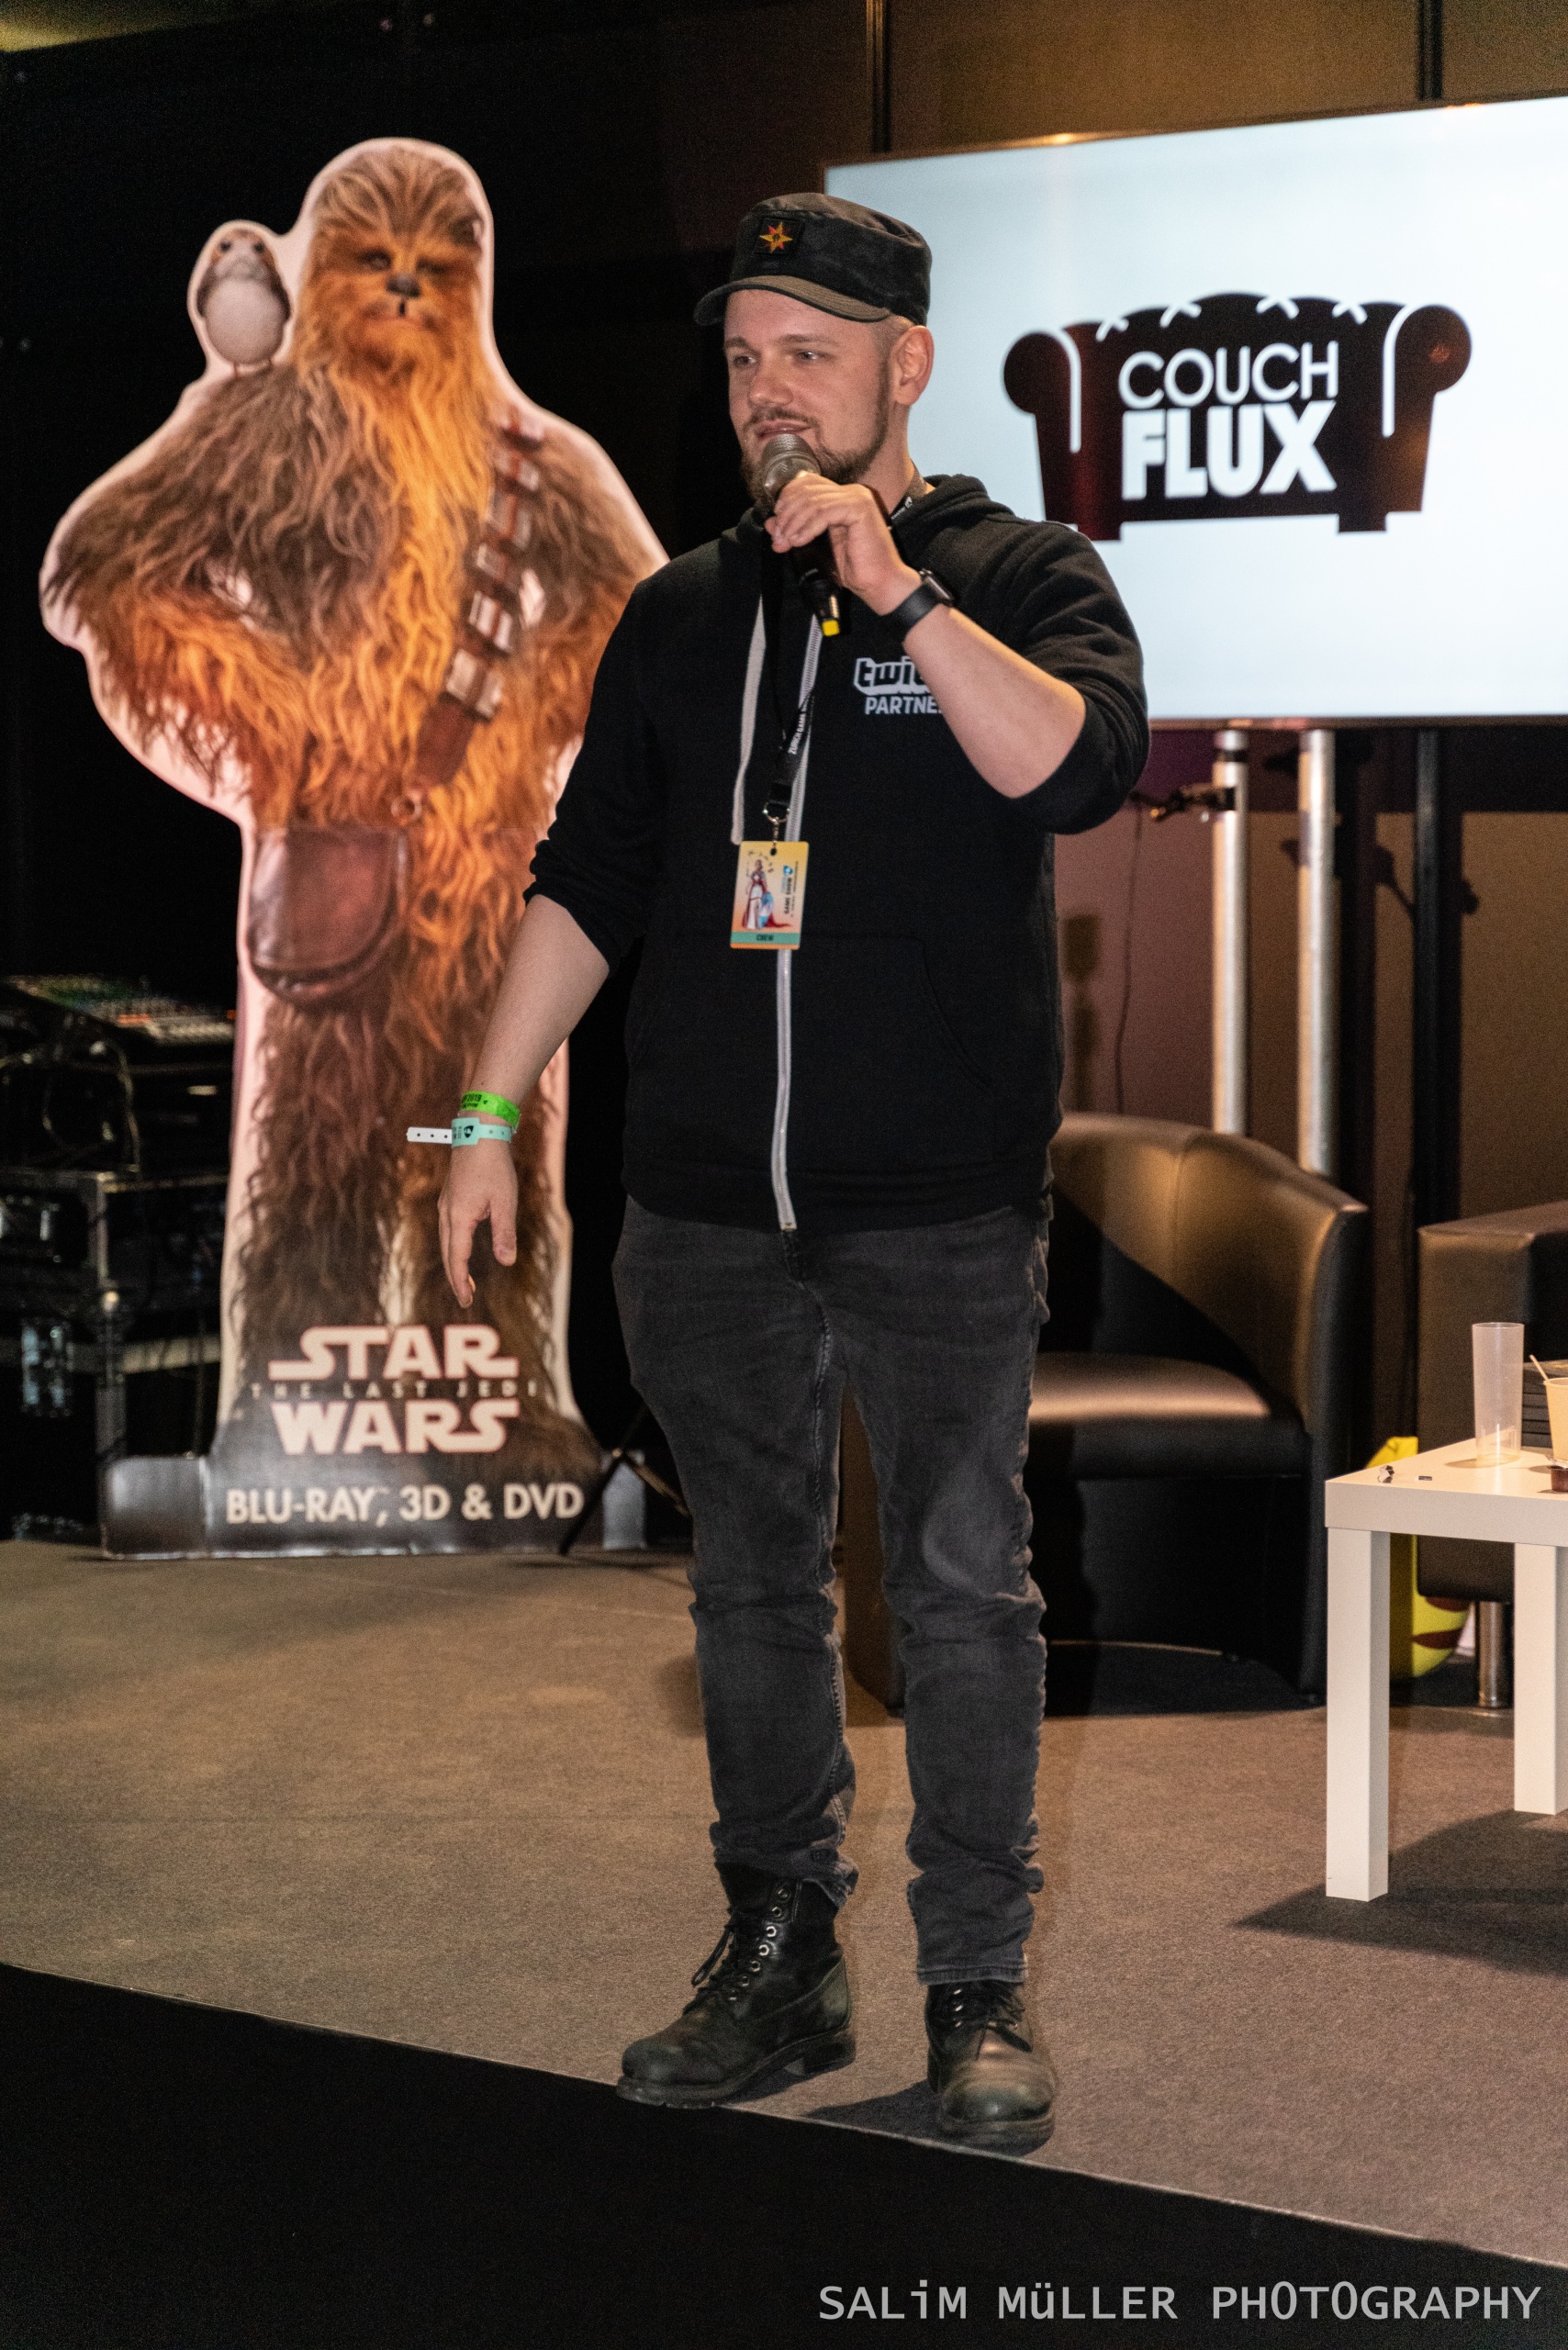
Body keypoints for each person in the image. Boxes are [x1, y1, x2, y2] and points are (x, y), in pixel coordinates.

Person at [440, 192, 1147, 2151]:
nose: (767, 392)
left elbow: (1079, 766)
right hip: (698, 1210)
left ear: (904, 366)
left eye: (808, 356)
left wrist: (899, 596)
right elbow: (589, 877)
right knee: (750, 1589)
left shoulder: (1018, 572)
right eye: (745, 359)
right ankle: (778, 1954)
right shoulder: (677, 613)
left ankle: (976, 1986)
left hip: (934, 1206)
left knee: (959, 1590)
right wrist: (483, 1114)